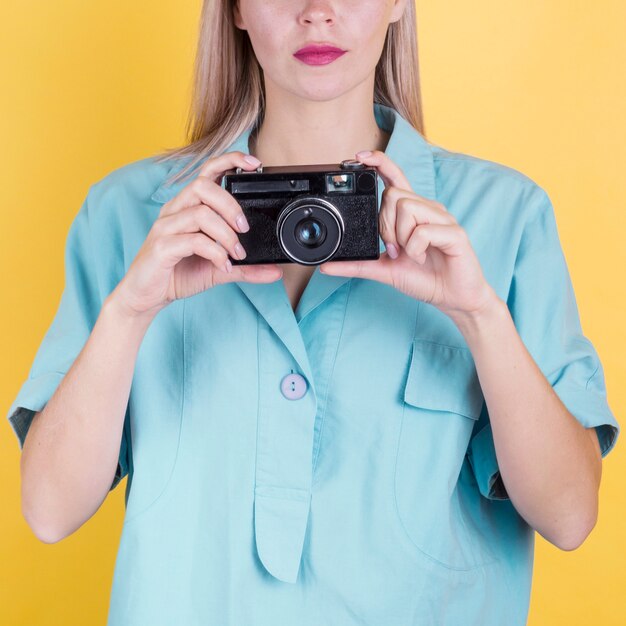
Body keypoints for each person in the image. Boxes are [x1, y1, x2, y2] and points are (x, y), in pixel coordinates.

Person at [7, 1, 620, 624]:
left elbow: (570, 517)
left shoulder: (504, 216)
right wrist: (130, 311)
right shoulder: (129, 214)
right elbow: (51, 510)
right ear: (237, 9)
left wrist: (479, 315)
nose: (318, 12)